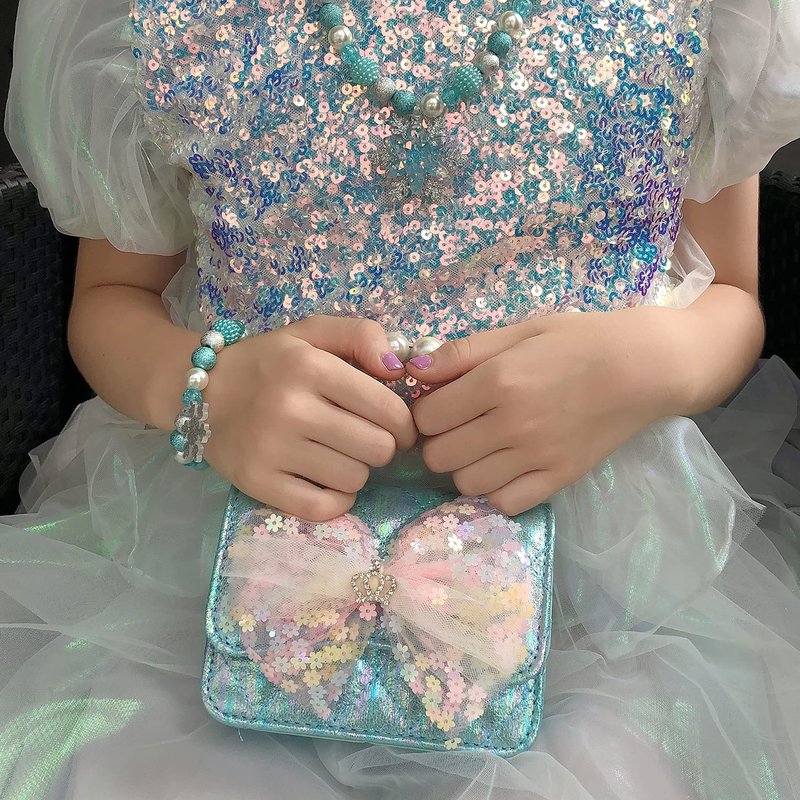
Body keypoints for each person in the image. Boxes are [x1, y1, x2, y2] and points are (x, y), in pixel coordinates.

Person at [2, 0, 800, 797]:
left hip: (601, 585)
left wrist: (641, 366)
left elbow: (732, 298)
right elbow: (110, 299)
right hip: (221, 545)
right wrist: (212, 389)